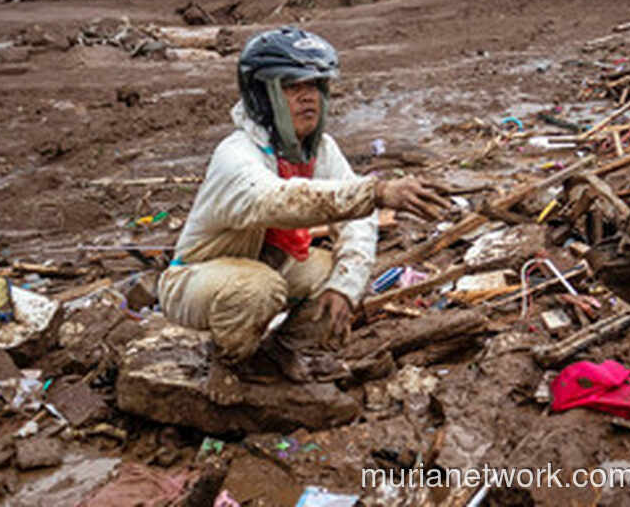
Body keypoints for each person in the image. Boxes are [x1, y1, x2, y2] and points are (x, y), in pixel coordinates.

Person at [157, 27, 449, 379]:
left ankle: (279, 351)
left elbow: (358, 225)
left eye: (314, 86)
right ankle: (229, 361)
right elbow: (277, 201)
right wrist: (374, 193)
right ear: (264, 96)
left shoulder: (321, 150)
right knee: (259, 288)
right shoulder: (235, 155)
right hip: (196, 279)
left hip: (264, 268)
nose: (307, 97)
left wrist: (344, 286)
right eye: (292, 87)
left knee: (331, 273)